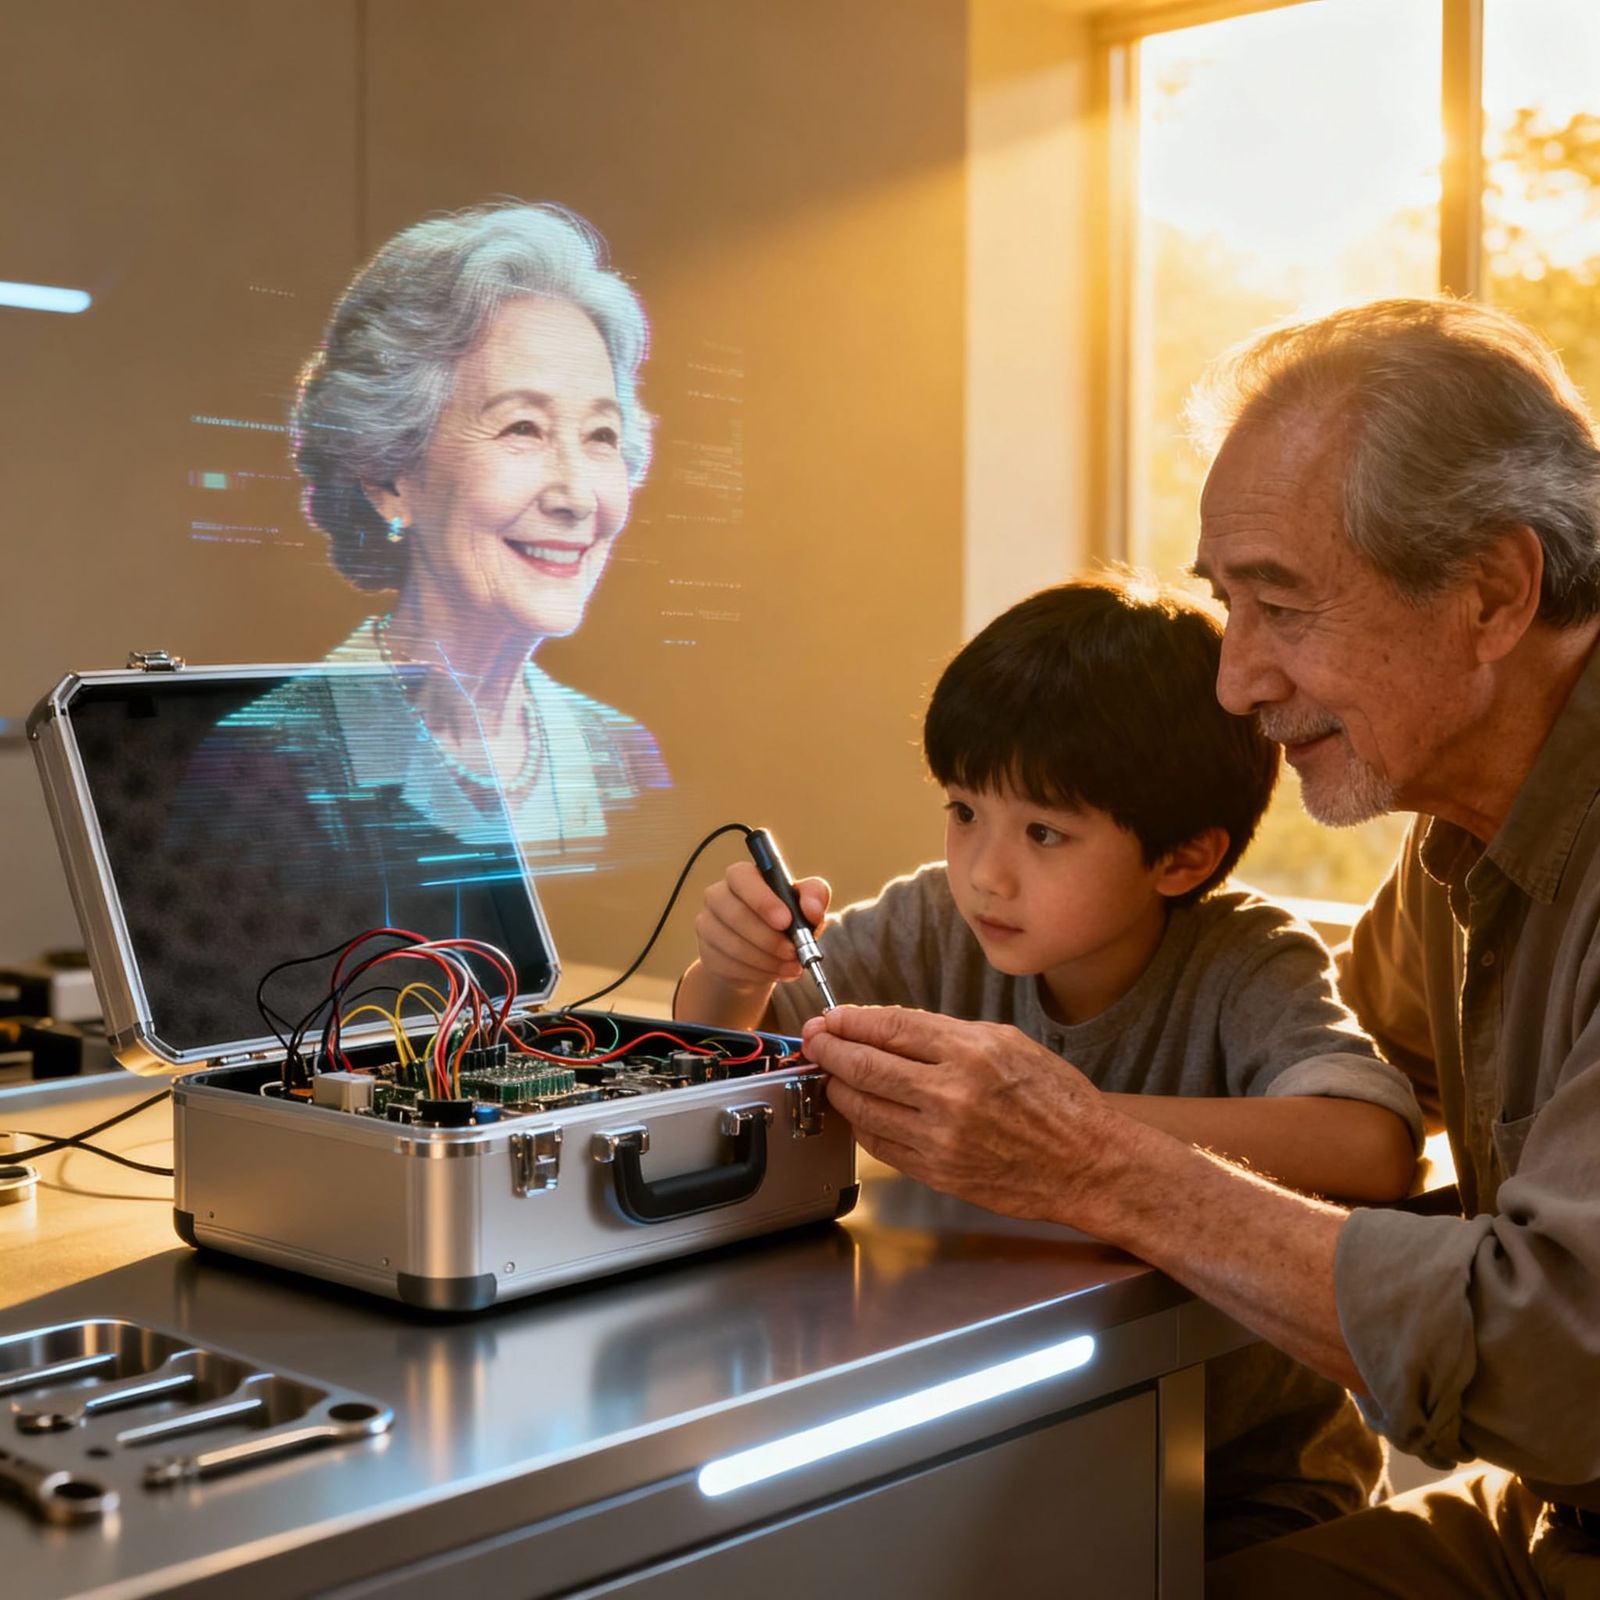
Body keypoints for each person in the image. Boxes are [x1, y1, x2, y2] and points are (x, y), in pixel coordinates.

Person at [800, 299, 1600, 1596]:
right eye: (1228, 604)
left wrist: (1094, 1160)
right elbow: (1360, 1088)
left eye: (1279, 607)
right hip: (1546, 1528)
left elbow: (1558, 1363)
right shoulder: (1464, 846)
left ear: (1494, 592)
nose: (1236, 682)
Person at [676, 574, 1423, 1556]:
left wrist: (1053, 1124)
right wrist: (731, 974)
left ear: (1182, 859)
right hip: (1018, 1443)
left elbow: (1371, 1145)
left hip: (1243, 1477)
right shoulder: (931, 929)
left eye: (1042, 832)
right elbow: (725, 1056)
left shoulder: (1246, 963)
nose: (984, 869)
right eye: (963, 810)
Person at [287, 200, 669, 871]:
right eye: (522, 428)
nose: (578, 497)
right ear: (387, 472)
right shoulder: (273, 762)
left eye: (601, 436)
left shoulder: (623, 759)